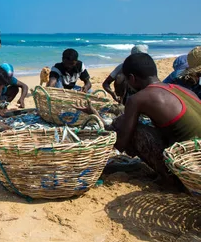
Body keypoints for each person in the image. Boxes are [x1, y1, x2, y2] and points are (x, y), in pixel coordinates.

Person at [75, 53, 201, 185]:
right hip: (195, 158)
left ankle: (170, 179)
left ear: (132, 78)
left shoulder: (138, 99)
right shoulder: (180, 89)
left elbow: (121, 143)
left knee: (129, 127)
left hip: (189, 168)